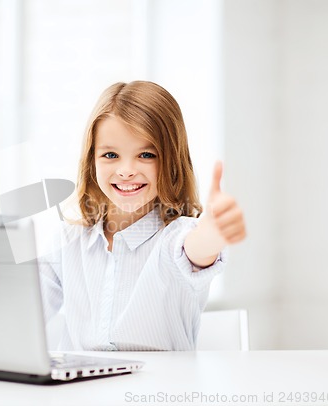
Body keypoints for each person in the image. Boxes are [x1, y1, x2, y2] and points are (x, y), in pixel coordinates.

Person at [38, 81, 246, 351]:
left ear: (172, 161)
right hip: (78, 391)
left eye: (146, 155)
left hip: (159, 391)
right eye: (110, 154)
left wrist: (213, 232)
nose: (126, 170)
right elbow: (19, 316)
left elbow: (197, 249)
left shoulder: (176, 237)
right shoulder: (67, 240)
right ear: (92, 160)